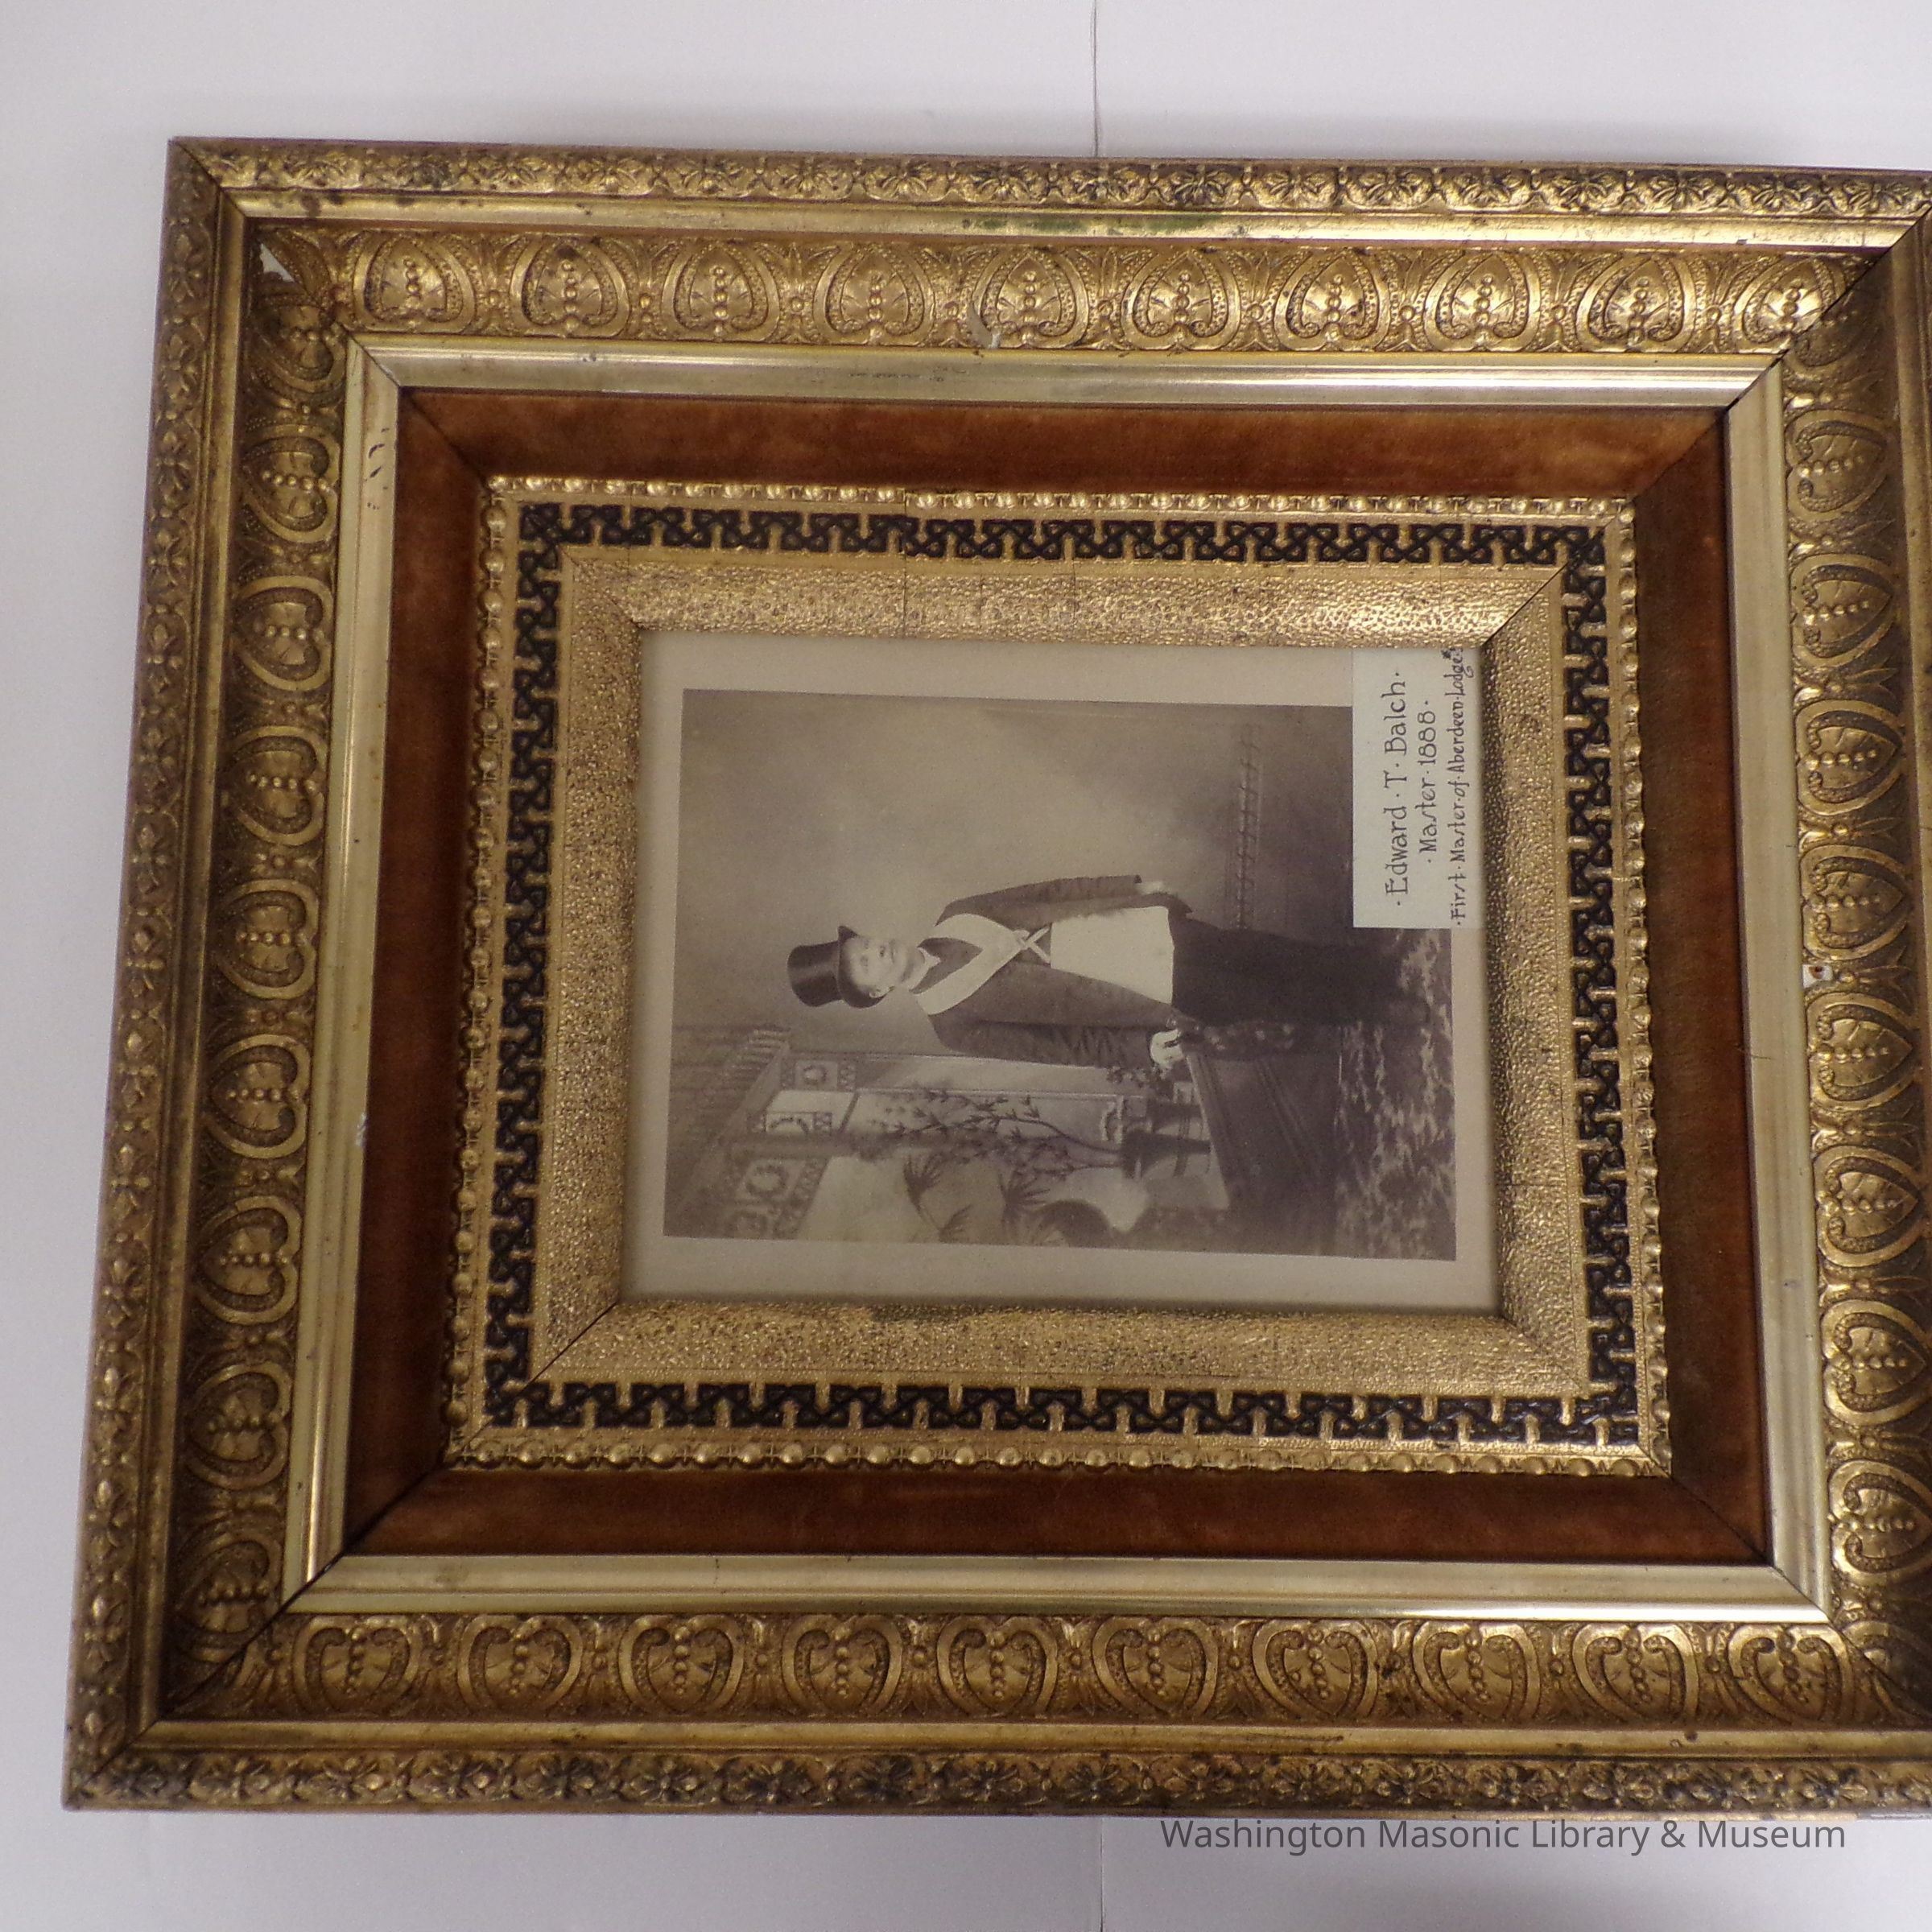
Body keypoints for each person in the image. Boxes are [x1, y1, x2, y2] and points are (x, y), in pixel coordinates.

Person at [786, 873, 1422, 1071]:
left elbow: (1049, 891)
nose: (876, 950)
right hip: (1136, 991)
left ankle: (1365, 967)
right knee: (1258, 995)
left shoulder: (958, 914)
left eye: (864, 943)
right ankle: (1373, 1007)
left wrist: (1129, 886)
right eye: (865, 963)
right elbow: (1061, 1047)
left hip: (1131, 930)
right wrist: (1139, 1049)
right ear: (875, 990)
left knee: (1257, 949)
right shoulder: (953, 1023)